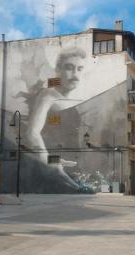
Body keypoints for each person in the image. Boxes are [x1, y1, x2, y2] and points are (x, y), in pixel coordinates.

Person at [25, 47, 86, 188]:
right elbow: (32, 132)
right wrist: (47, 160)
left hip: (64, 165)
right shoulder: (48, 95)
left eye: (80, 69)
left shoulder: (69, 99)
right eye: (69, 68)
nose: (75, 74)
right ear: (58, 69)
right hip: (51, 170)